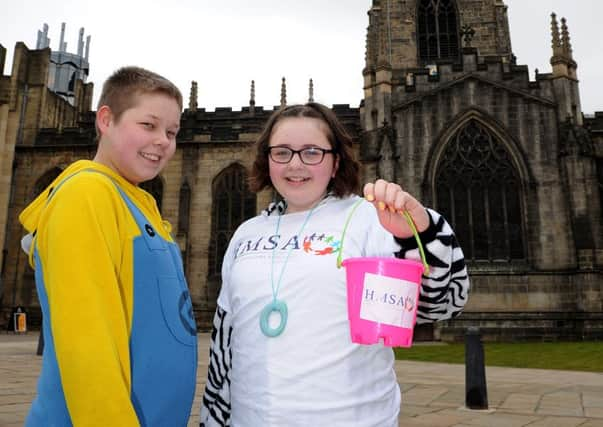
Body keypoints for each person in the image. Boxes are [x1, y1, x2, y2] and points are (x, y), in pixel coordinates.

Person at [199, 102, 469, 426]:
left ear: (336, 160)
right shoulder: (247, 234)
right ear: (267, 159)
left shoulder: (369, 218)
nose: (295, 164)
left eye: (312, 152)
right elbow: (224, 346)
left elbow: (441, 304)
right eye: (282, 152)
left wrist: (419, 232)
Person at [19, 66, 197, 426]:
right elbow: (87, 345)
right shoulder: (87, 193)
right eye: (148, 125)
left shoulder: (136, 203)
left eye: (172, 131)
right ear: (106, 120)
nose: (163, 140)